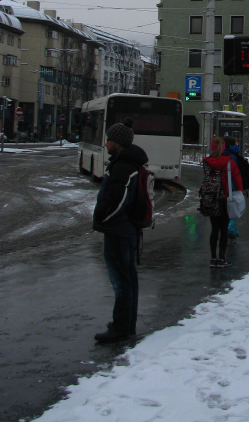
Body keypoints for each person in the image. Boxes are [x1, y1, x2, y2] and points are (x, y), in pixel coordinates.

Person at [92, 118, 148, 343]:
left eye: (109, 140)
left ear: (119, 143)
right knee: (128, 278)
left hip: (119, 231)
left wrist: (100, 216)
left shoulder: (123, 166)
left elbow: (118, 199)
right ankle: (127, 324)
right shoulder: (130, 163)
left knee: (121, 281)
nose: (106, 144)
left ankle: (121, 328)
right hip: (127, 230)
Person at [203, 136, 243, 267]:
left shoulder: (207, 162)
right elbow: (237, 180)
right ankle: (221, 258)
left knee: (214, 229)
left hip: (211, 199)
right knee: (224, 229)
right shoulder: (229, 161)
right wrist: (239, 193)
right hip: (225, 199)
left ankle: (212, 258)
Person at [223, 135, 246, 239]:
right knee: (232, 206)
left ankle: (230, 229)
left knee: (229, 207)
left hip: (228, 185)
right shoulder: (235, 154)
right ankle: (232, 229)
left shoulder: (227, 155)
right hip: (233, 185)